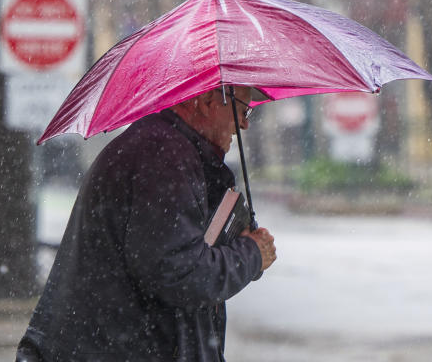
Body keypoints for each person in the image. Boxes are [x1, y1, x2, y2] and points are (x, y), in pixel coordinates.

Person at [16, 86, 276, 362]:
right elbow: (182, 275)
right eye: (242, 108)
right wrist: (250, 254)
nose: (245, 123)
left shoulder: (165, 148)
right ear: (206, 100)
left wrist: (241, 243)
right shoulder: (163, 156)